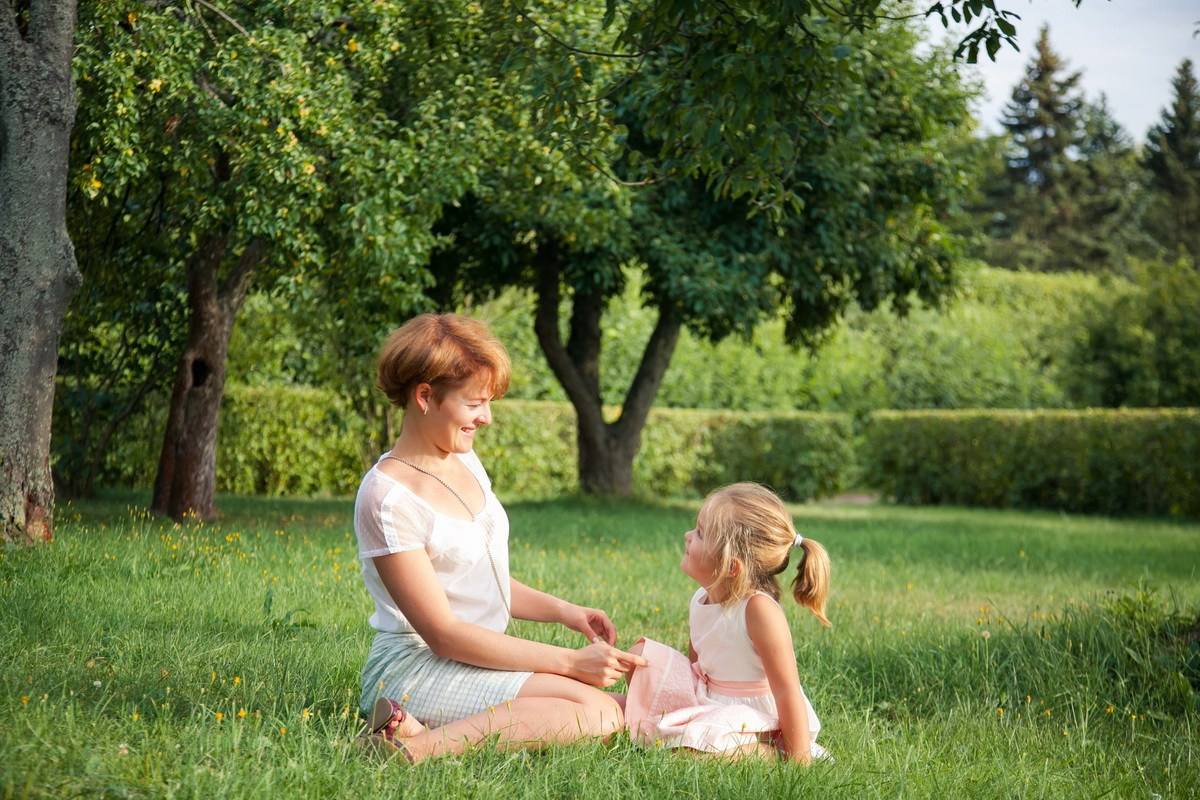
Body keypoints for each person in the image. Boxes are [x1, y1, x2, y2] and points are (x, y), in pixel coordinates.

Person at [352, 313, 646, 762]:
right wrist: (569, 663)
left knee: (621, 709)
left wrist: (564, 612)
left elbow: (476, 577)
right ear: (425, 397)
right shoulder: (386, 498)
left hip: (473, 655)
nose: (486, 418)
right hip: (414, 666)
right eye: (475, 404)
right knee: (599, 715)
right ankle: (410, 751)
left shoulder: (464, 461)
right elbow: (443, 633)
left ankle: (409, 727)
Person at [624, 482, 832, 763]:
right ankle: (694, 733)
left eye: (700, 533)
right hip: (710, 699)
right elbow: (695, 667)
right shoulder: (701, 598)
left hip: (753, 718)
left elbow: (787, 690)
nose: (687, 536)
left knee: (685, 753)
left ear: (731, 566)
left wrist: (800, 761)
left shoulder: (757, 610)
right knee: (639, 659)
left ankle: (770, 754)